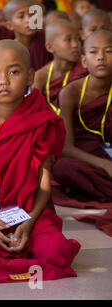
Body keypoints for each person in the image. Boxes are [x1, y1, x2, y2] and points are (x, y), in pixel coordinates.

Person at [0, 39, 80, 284]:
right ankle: (19, 262)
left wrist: (30, 221)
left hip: (29, 211)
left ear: (30, 76)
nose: (4, 80)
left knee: (56, 251)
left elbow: (44, 184)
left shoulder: (40, 119)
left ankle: (15, 259)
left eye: (14, 71)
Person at [53, 30, 112, 203]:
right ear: (84, 61)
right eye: (94, 52)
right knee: (63, 168)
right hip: (86, 158)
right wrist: (104, 164)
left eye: (108, 51)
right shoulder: (71, 92)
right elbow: (66, 148)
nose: (101, 57)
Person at [33, 19, 87, 114]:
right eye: (68, 39)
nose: (75, 45)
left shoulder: (86, 67)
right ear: (50, 47)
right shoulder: (41, 77)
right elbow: (33, 110)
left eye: (78, 39)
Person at [3, 0, 53, 71]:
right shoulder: (9, 50)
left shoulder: (49, 38)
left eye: (32, 14)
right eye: (21, 16)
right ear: (10, 25)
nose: (29, 19)